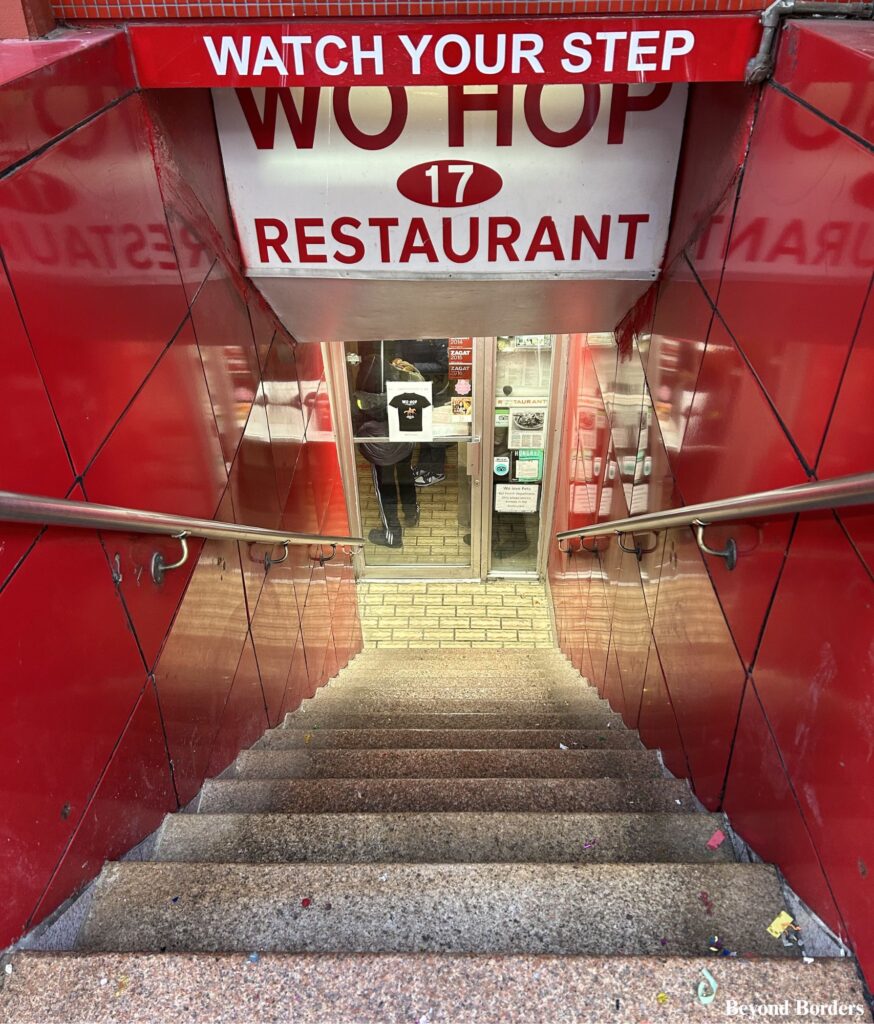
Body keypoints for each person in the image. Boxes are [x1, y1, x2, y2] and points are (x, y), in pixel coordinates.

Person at [357, 419, 419, 548]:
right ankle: (411, 513)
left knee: (385, 485)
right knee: (405, 472)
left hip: (378, 443)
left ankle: (393, 535)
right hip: (403, 434)